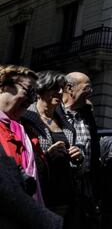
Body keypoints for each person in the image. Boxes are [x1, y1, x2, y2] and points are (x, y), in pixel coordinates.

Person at [0, 64, 63, 228]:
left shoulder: (22, 129)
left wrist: (45, 157)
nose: (31, 99)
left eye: (34, 94)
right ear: (3, 87)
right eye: (27, 90)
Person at [21, 71, 83, 228]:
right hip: (39, 193)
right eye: (56, 88)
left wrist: (78, 156)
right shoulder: (25, 117)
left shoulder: (65, 121)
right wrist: (46, 156)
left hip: (66, 194)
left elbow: (75, 154)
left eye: (62, 88)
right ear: (42, 89)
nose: (61, 92)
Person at [59, 72, 101, 228]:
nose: (90, 93)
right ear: (70, 88)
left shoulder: (87, 115)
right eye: (87, 88)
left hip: (85, 188)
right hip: (62, 188)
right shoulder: (54, 113)